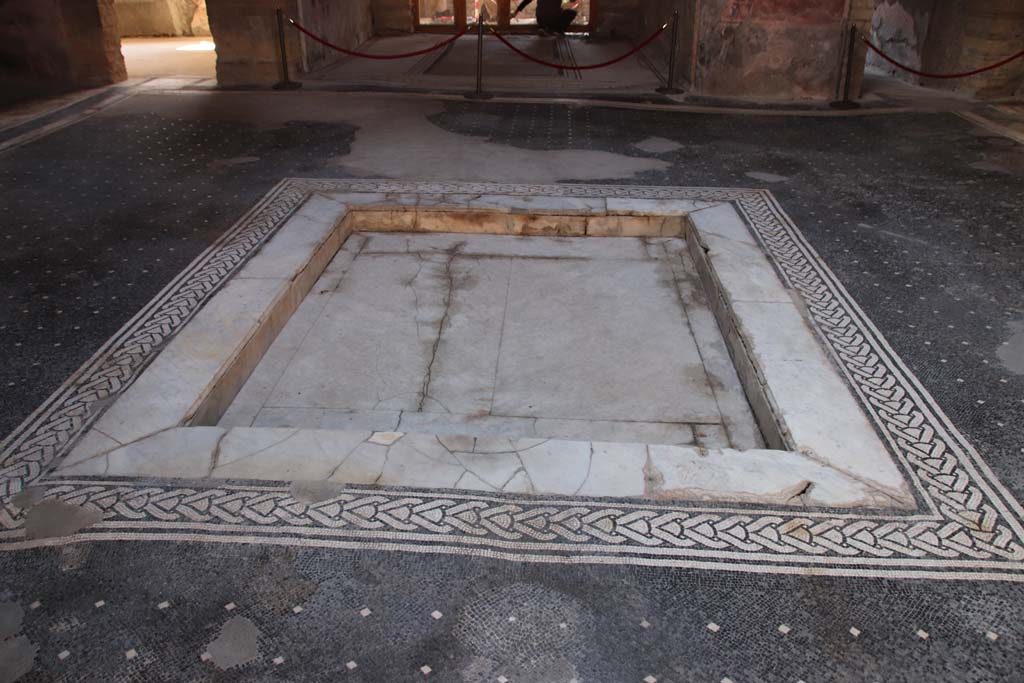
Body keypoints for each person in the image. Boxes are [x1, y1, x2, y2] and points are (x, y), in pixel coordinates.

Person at [512, 0, 579, 35]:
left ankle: (544, 28)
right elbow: (572, 0)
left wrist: (516, 12)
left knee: (544, 12)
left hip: (541, 19)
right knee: (572, 12)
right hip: (554, 19)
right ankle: (558, 29)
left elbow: (526, 2)